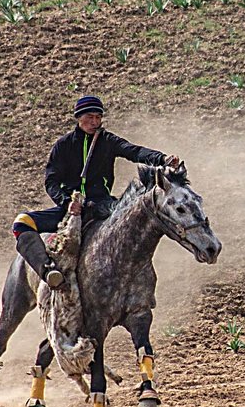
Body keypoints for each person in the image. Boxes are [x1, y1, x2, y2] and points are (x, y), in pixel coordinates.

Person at [13, 95, 179, 288]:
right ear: (78, 117)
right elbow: (52, 181)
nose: (95, 122)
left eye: (98, 117)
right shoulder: (63, 146)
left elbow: (134, 152)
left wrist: (161, 159)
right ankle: (48, 271)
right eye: (90, 117)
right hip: (70, 209)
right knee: (22, 223)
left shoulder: (108, 141)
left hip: (103, 205)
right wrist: (67, 202)